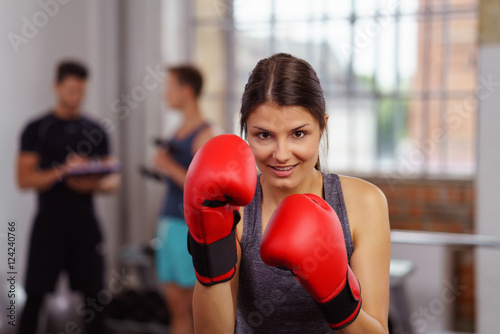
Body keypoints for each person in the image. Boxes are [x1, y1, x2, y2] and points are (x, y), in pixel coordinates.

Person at [184, 53, 391, 333]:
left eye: (298, 134)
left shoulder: (364, 203)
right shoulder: (234, 208)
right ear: (246, 132)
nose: (281, 155)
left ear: (322, 127)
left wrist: (338, 296)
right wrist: (209, 246)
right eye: (264, 135)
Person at [16, 60, 120, 334]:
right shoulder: (38, 128)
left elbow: (112, 181)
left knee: (94, 298)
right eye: (71, 90)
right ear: (57, 87)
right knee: (36, 296)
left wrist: (90, 182)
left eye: (81, 91)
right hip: (49, 226)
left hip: (85, 226)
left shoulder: (96, 130)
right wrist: (63, 172)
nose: (76, 97)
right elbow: (24, 179)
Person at [152, 65, 216, 334]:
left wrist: (167, 164)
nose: (166, 93)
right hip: (167, 221)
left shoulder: (205, 135)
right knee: (175, 304)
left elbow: (201, 188)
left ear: (186, 91)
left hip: (187, 227)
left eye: (170, 87)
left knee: (193, 306)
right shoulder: (177, 131)